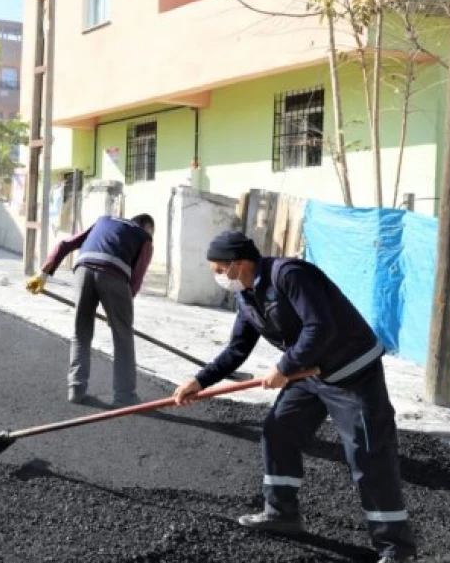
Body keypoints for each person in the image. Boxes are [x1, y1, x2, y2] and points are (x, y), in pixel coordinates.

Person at [171, 231, 416, 563]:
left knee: (368, 454)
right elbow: (237, 349)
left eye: (218, 269)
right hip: (308, 372)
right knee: (278, 431)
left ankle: (396, 550)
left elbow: (321, 326)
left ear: (238, 264)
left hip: (351, 372)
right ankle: (281, 513)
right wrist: (199, 381)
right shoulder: (247, 296)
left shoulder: (290, 275)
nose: (217, 276)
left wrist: (284, 366)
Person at [25, 214, 155, 407]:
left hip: (83, 269)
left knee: (81, 332)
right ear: (145, 226)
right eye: (152, 231)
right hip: (113, 275)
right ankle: (125, 396)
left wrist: (43, 274)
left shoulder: (104, 221)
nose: (152, 235)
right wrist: (120, 313)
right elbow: (135, 280)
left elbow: (65, 244)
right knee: (123, 337)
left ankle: (76, 389)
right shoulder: (144, 238)